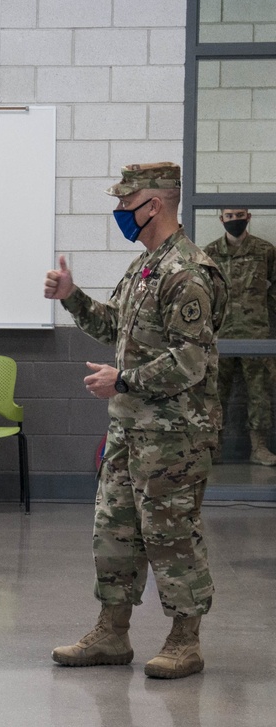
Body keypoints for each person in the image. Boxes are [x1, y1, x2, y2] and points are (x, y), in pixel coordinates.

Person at [43, 162, 228, 680]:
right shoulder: (146, 265)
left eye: (129, 201)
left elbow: (190, 363)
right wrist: (72, 298)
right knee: (115, 531)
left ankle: (184, 640)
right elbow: (116, 326)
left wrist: (122, 380)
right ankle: (112, 632)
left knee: (171, 534)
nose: (121, 211)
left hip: (175, 436)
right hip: (130, 429)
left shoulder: (188, 272)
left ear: (157, 204)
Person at [203, 207, 276, 466]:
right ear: (221, 218)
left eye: (240, 215)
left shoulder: (265, 251)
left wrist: (264, 308)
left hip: (255, 334)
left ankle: (259, 447)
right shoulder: (209, 253)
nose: (236, 220)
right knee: (215, 392)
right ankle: (215, 447)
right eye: (230, 216)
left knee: (260, 392)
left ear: (249, 216)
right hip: (220, 334)